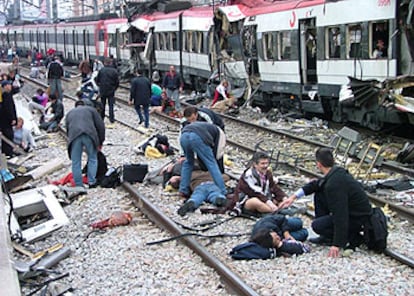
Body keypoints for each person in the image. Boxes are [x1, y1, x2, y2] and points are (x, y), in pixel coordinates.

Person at [279, 147, 372, 257]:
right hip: (355, 213)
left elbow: (340, 214)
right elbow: (315, 185)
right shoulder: (336, 173)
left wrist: (337, 244)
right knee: (319, 193)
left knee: (317, 226)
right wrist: (293, 197)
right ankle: (327, 236)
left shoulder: (334, 185)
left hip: (357, 219)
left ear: (318, 164)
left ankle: (350, 237)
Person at [179, 121, 226, 198]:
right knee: (212, 163)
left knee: (188, 162)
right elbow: (219, 152)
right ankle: (222, 190)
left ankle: (183, 190)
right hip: (196, 137)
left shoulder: (207, 127)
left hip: (184, 136)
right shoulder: (220, 133)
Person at [65, 100, 105, 188]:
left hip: (74, 136)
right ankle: (91, 181)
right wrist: (100, 141)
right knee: (92, 158)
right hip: (89, 135)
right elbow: (100, 126)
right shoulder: (91, 110)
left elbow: (67, 129)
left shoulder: (69, 113)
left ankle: (78, 184)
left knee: (76, 162)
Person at [182, 106, 225, 173]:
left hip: (217, 130)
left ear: (196, 114)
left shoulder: (205, 116)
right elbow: (181, 136)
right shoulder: (184, 121)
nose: (192, 122)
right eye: (189, 120)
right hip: (200, 131)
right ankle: (204, 170)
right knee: (200, 149)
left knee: (216, 153)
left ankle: (220, 172)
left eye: (193, 119)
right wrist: (182, 154)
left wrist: (210, 145)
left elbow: (211, 130)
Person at [96, 58, 119, 123]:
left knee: (102, 105)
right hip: (111, 91)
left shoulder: (101, 70)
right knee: (111, 105)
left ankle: (102, 117)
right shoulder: (114, 71)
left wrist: (100, 86)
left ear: (105, 63)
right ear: (111, 63)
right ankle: (111, 119)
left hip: (103, 90)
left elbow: (97, 80)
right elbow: (117, 82)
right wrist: (114, 88)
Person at [0, 80, 17, 157]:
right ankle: (8, 152)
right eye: (9, 85)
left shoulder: (2, 94)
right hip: (6, 120)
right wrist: (12, 118)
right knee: (9, 135)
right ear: (5, 86)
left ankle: (6, 152)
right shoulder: (6, 95)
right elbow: (9, 108)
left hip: (3, 120)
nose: (10, 86)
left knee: (6, 135)